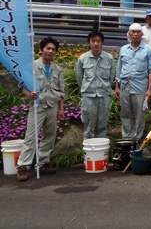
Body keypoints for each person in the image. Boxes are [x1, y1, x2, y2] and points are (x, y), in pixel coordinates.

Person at [16, 37, 65, 182]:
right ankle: (23, 166)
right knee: (31, 136)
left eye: (53, 49)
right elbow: (22, 86)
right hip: (38, 106)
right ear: (41, 50)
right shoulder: (32, 66)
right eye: (47, 48)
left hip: (52, 106)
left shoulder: (57, 69)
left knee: (49, 136)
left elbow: (61, 90)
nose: (50, 51)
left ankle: (43, 163)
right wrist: (29, 94)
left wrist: (61, 109)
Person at [116, 23, 151, 142]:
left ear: (142, 34)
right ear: (129, 34)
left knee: (140, 115)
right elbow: (119, 69)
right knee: (125, 113)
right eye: (132, 32)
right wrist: (117, 87)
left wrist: (150, 89)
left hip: (140, 87)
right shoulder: (124, 49)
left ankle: (137, 139)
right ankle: (127, 138)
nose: (135, 34)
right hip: (125, 86)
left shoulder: (148, 50)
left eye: (137, 32)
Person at [76, 30, 116, 140]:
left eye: (98, 41)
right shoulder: (82, 59)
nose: (95, 44)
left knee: (102, 125)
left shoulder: (109, 58)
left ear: (102, 43)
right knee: (88, 125)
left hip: (104, 95)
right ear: (89, 42)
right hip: (88, 96)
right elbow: (79, 78)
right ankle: (88, 152)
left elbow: (111, 77)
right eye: (92, 41)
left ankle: (100, 151)